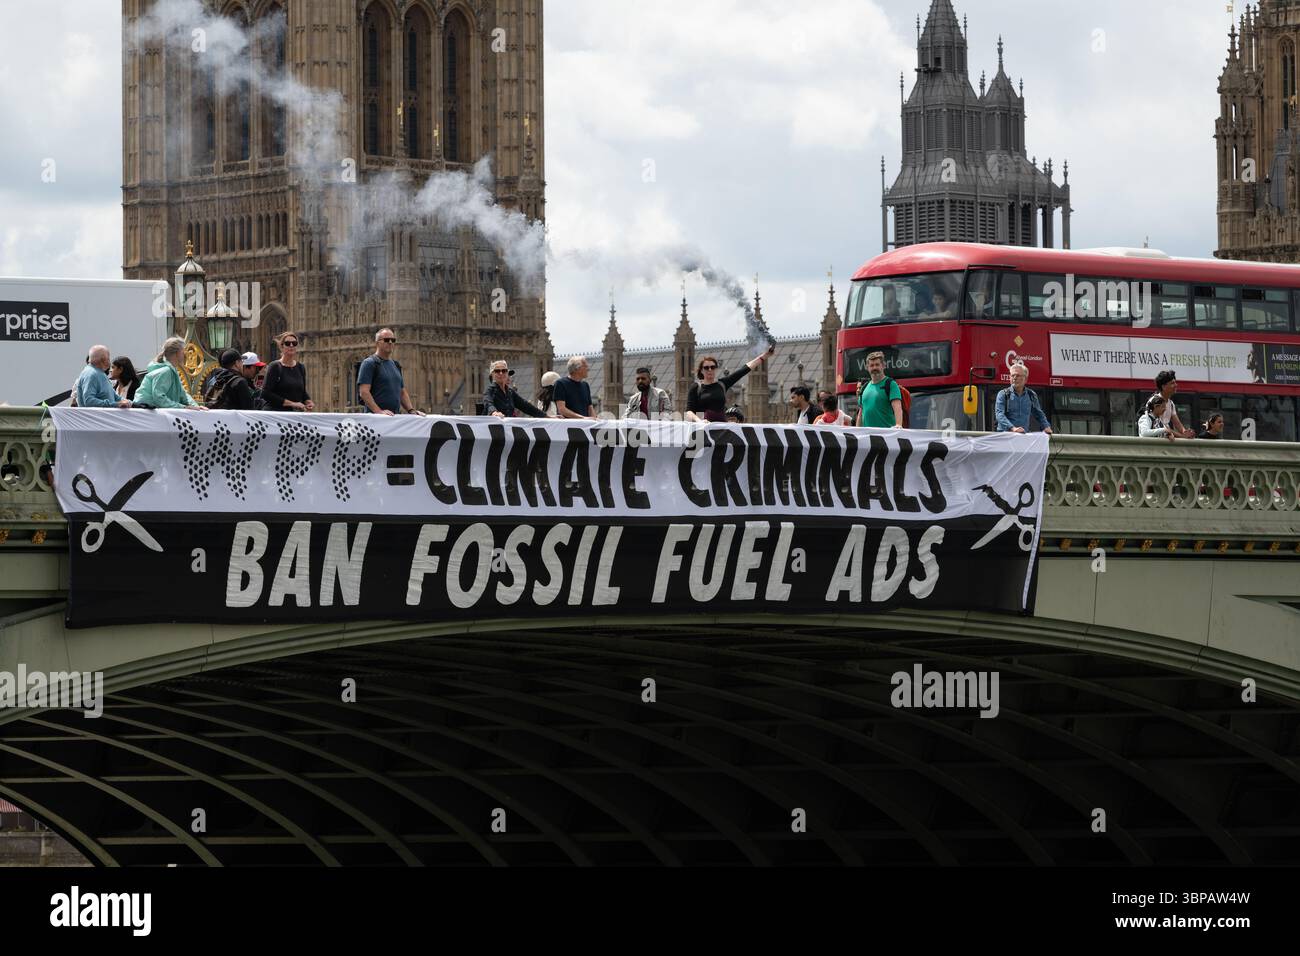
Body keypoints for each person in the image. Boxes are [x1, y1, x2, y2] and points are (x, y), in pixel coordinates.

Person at [686, 345, 774, 423]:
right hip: (701, 429)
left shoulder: (722, 384)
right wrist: (699, 421)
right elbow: (689, 412)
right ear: (701, 370)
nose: (710, 370)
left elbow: (744, 369)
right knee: (701, 442)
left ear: (716, 369)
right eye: (706, 368)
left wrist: (765, 355)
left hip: (720, 427)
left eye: (712, 367)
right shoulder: (696, 387)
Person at [358, 328, 424, 416]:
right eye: (386, 340)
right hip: (375, 420)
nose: (390, 342)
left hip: (393, 419)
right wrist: (379, 412)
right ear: (377, 343)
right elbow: (364, 392)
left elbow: (402, 392)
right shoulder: (369, 363)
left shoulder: (395, 365)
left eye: (393, 340)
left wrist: (411, 410)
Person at [134, 337, 202, 409]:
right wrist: (184, 407)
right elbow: (159, 398)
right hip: (146, 411)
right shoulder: (166, 371)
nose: (184, 355)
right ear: (177, 353)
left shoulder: (170, 370)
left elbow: (183, 394)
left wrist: (196, 407)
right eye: (183, 351)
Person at [261, 331, 313, 412]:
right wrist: (292, 404)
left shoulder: (300, 367)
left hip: (294, 415)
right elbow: (265, 394)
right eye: (288, 343)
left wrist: (308, 401)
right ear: (282, 347)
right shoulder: (275, 366)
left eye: (294, 343)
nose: (291, 345)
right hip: (276, 413)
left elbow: (302, 392)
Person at [995, 362, 1053, 434]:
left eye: (1018, 375)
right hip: (1005, 436)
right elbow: (999, 415)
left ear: (1025, 379)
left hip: (1022, 437)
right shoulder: (1003, 394)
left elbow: (1039, 414)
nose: (1014, 378)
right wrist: (1013, 428)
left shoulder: (1031, 395)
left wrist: (1046, 427)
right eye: (1012, 375)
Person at [855, 351, 904, 428]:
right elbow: (860, 413)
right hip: (868, 437)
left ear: (883, 366)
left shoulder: (891, 384)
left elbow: (897, 407)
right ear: (867, 367)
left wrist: (898, 425)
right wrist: (857, 431)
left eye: (877, 365)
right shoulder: (864, 387)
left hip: (886, 436)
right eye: (871, 365)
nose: (874, 368)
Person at [1153, 370, 1195, 438]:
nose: (1176, 385)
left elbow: (1178, 424)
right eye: (1172, 383)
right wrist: (1182, 436)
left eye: (1175, 382)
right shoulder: (1154, 401)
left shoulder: (1171, 404)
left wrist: (1186, 433)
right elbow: (1161, 428)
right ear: (1163, 386)